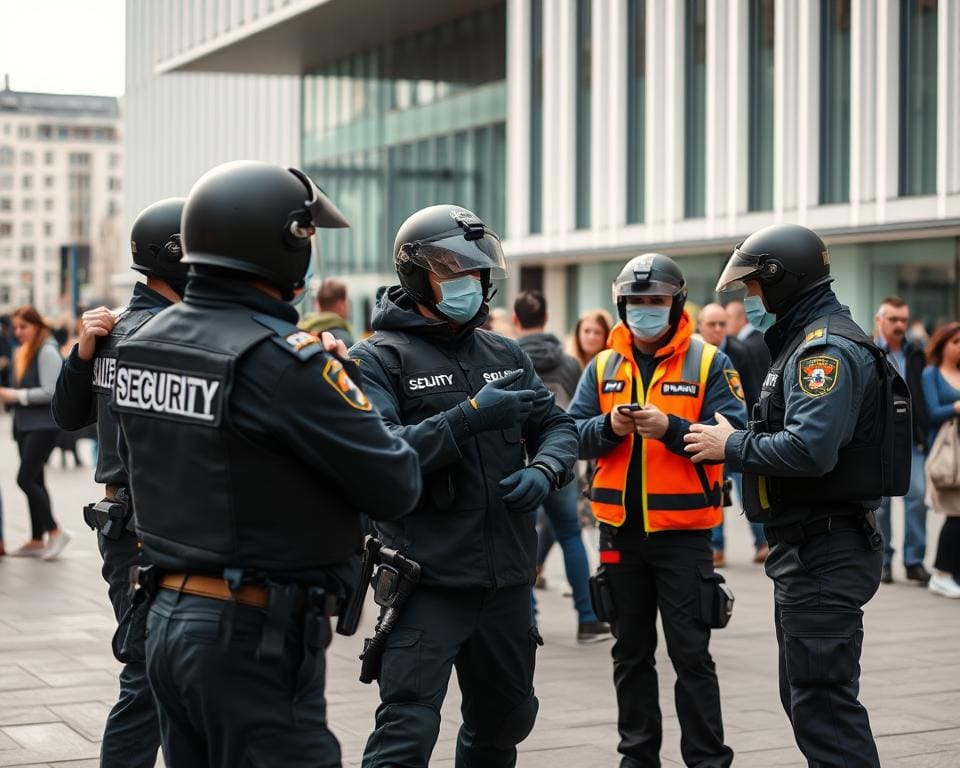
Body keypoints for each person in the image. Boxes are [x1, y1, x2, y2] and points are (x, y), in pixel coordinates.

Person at [113, 161, 422, 768]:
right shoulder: (287, 363)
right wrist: (344, 383)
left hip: (166, 618)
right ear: (286, 244)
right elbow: (397, 482)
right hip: (251, 633)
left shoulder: (144, 343)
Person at [350, 204, 578, 768]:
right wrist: (468, 417)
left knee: (505, 722)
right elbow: (381, 452)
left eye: (478, 272)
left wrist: (546, 468)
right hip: (427, 580)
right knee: (406, 729)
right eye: (455, 270)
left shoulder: (504, 353)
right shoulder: (376, 360)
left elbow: (558, 425)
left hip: (505, 581)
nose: (471, 283)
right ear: (416, 274)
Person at [686, 224, 888, 767]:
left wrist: (731, 444)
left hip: (825, 549)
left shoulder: (822, 352)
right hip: (809, 546)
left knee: (824, 709)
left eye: (753, 289)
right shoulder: (803, 340)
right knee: (807, 700)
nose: (748, 300)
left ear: (782, 282)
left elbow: (810, 450)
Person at [568, 253, 743, 768]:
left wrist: (668, 429)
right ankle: (638, 758)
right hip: (620, 535)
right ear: (621, 306)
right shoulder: (603, 365)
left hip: (685, 534)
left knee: (692, 656)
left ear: (676, 304)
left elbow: (734, 435)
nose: (646, 310)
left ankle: (708, 760)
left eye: (656, 301)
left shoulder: (709, 361)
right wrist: (608, 429)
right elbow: (571, 434)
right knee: (629, 654)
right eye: (636, 302)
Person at [52, 197, 189, 768]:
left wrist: (83, 354)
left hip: (128, 525)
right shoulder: (171, 334)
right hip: (151, 528)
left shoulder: (114, 331)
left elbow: (67, 415)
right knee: (150, 678)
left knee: (170, 678)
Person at [512, 289, 611, 643]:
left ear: (515, 319)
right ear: (547, 317)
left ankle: (528, 623)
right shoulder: (568, 363)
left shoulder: (507, 356)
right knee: (570, 534)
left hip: (518, 464)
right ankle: (588, 619)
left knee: (522, 541)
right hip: (558, 461)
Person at [698, 302, 767, 567]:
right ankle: (716, 548)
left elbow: (753, 391)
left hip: (739, 433)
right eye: (712, 324)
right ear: (700, 326)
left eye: (722, 324)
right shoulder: (695, 355)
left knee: (746, 488)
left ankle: (762, 543)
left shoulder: (741, 351)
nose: (717, 329)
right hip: (707, 433)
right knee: (715, 490)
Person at [0, 307, 70, 560]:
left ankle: (55, 531)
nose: (18, 332)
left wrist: (15, 395)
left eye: (24, 327)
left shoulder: (47, 350)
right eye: (15, 327)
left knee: (25, 479)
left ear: (38, 326)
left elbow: (51, 391)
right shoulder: (24, 351)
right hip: (26, 425)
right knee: (36, 480)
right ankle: (36, 538)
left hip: (43, 426)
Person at [874, 296, 931, 585]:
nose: (899, 325)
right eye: (893, 319)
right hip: (880, 441)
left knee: (918, 499)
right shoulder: (869, 352)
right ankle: (883, 561)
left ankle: (914, 561)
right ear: (879, 321)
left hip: (912, 441)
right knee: (880, 504)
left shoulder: (916, 353)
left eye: (903, 320)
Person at [921, 321, 960, 598]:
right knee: (954, 514)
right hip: (948, 452)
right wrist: (957, 406)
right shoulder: (931, 373)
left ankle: (952, 573)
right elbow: (931, 412)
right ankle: (942, 573)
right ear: (943, 344)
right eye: (956, 342)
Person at [299, 276, 354, 346]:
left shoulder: (300, 332)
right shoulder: (343, 341)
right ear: (341, 305)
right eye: (347, 302)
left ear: (317, 304)